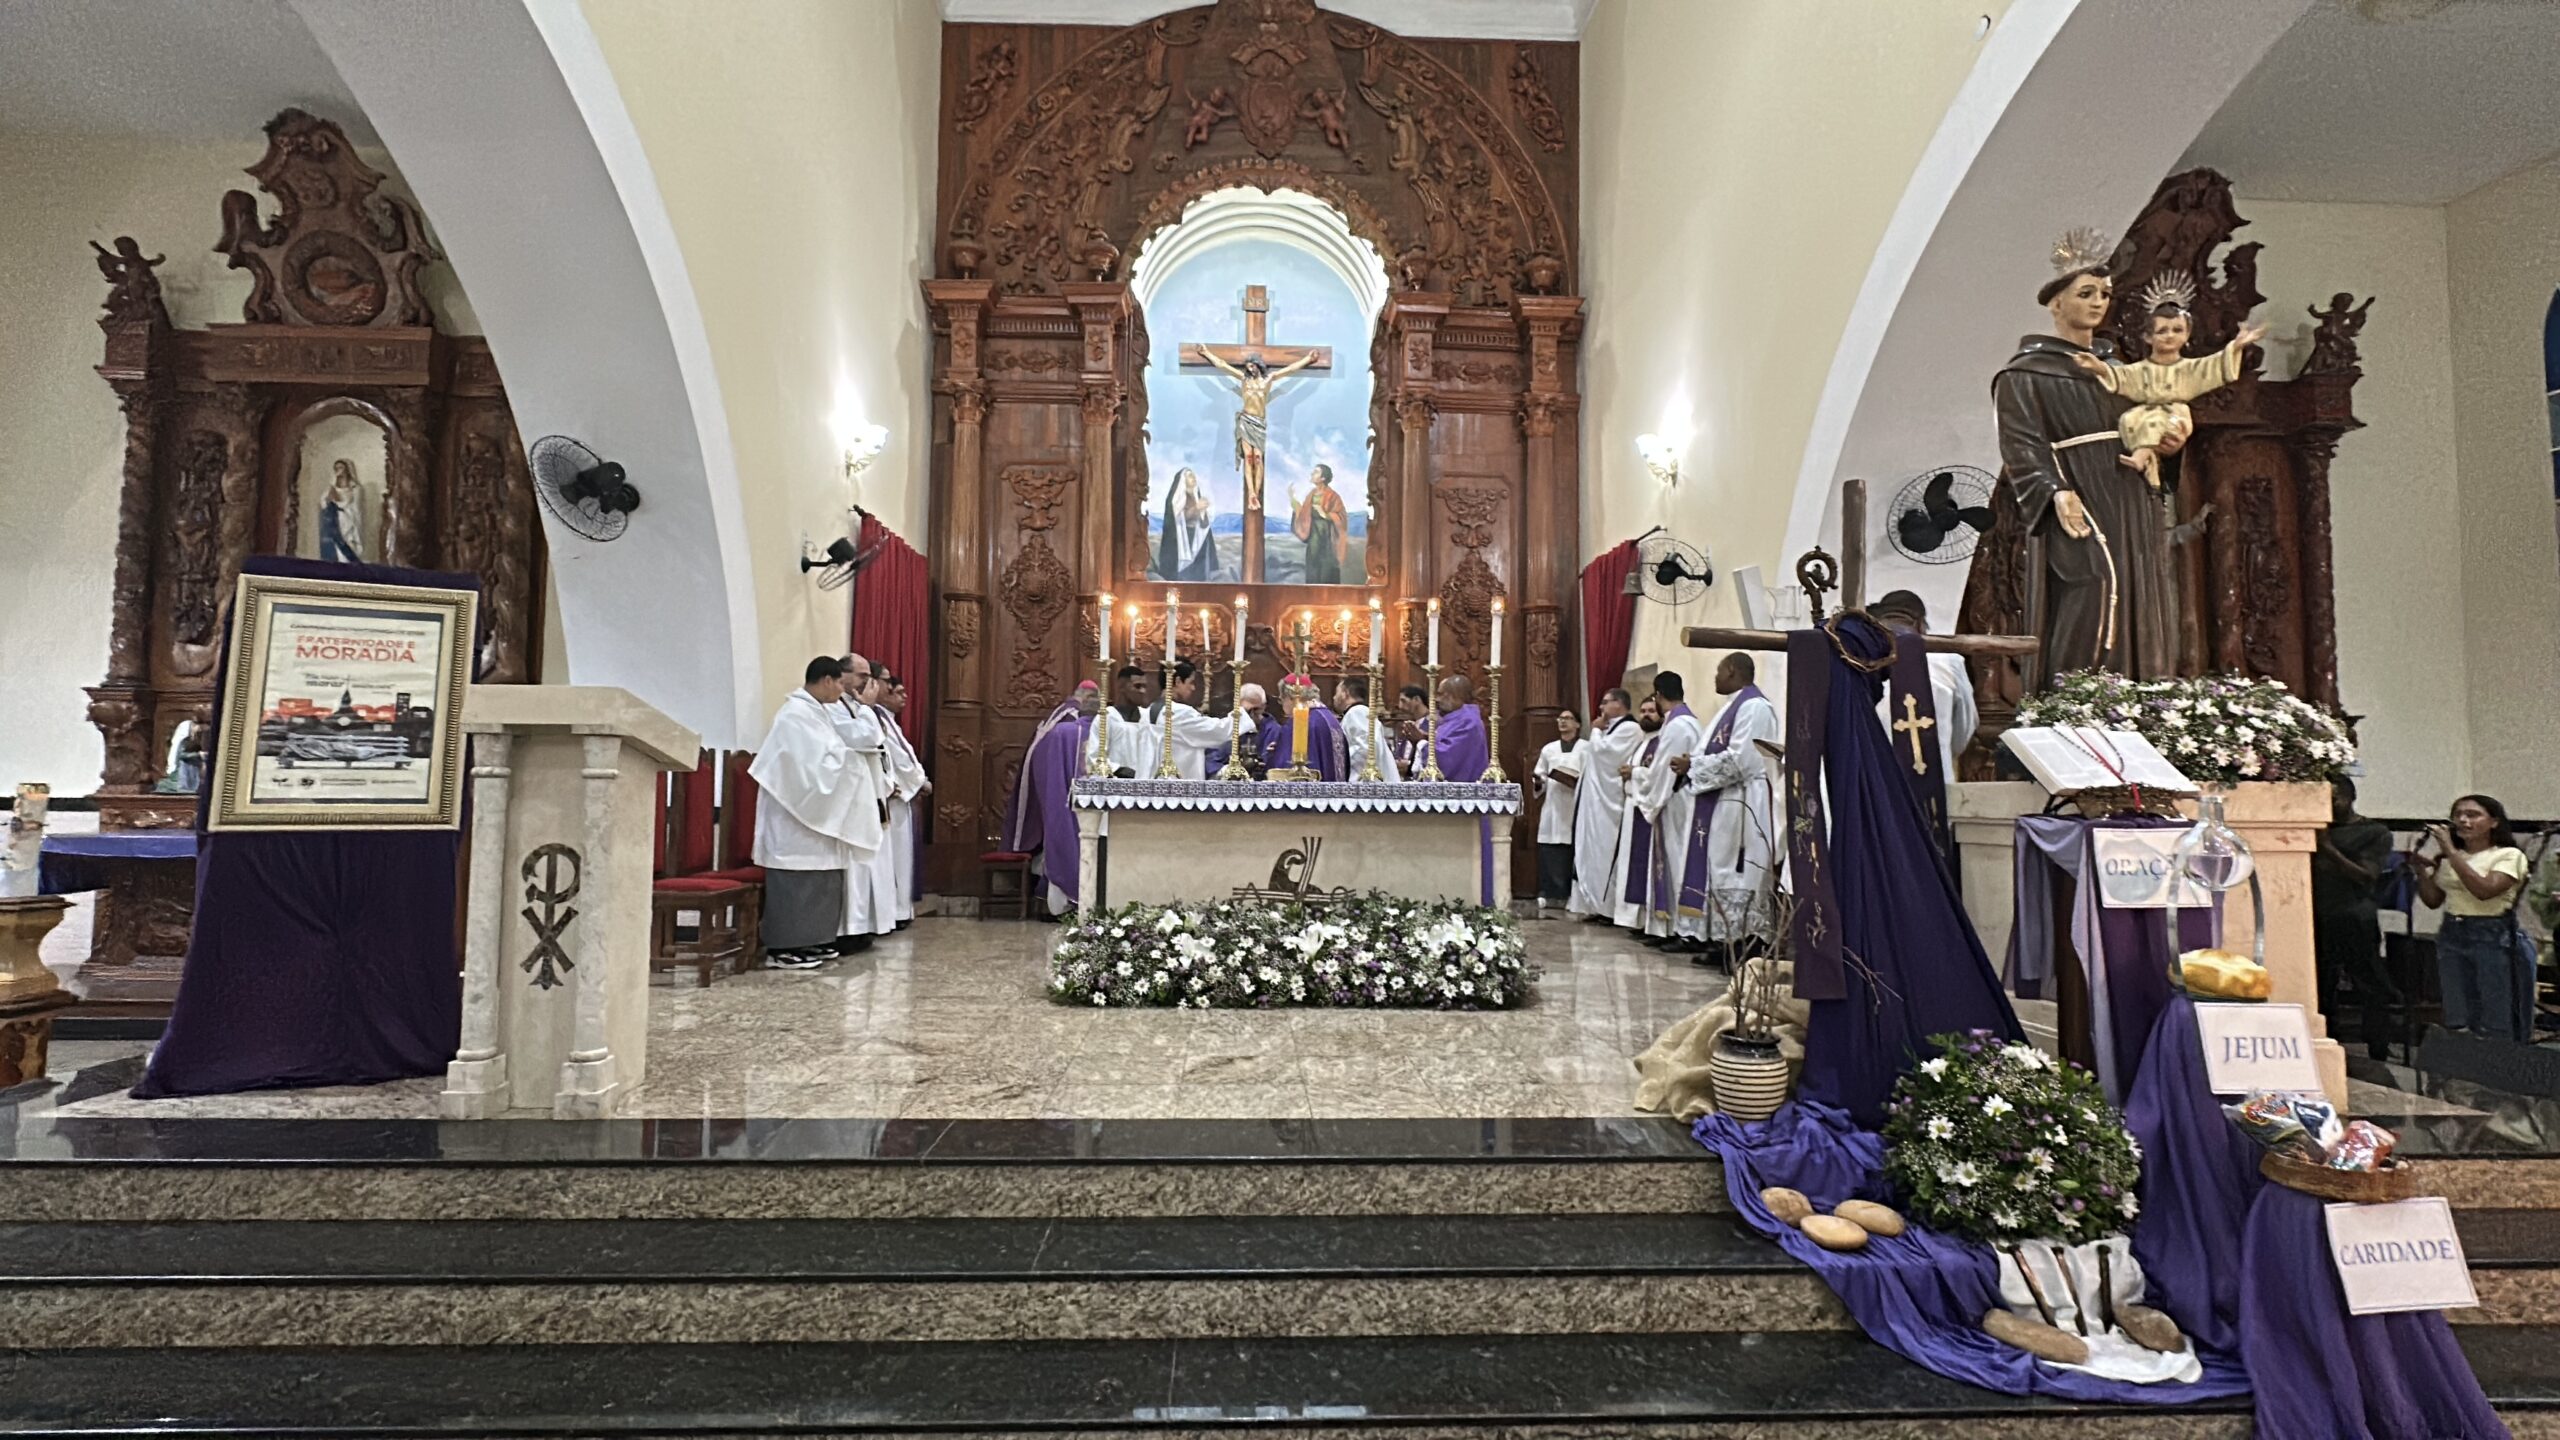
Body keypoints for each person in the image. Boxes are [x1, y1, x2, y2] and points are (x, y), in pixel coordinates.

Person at [1994, 232, 2178, 690]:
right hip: (2075, 489)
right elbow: (2021, 444)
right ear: (2056, 303)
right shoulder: (2025, 373)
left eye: (2105, 294)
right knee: (2092, 581)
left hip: (2128, 492)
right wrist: (2054, 491)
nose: (2098, 303)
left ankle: (2135, 694)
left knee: (2139, 588)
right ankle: (2074, 696)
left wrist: (2161, 449)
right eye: (2086, 293)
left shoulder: (2118, 370)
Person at [2069, 271, 2263, 494]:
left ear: (2187, 334)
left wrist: (2236, 347)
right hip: (2097, 477)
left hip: (2170, 419)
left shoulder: (2188, 369)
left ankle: (2144, 459)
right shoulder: (2134, 370)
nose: (2170, 336)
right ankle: (2143, 458)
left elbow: (2213, 367)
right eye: (2162, 331)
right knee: (2131, 420)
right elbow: (2120, 378)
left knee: (2156, 423)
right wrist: (2098, 368)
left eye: (2103, 295)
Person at [747, 657, 883, 968]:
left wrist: (848, 759)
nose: (842, 691)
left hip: (812, 816)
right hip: (793, 816)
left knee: (822, 876)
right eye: (839, 684)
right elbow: (806, 767)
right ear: (826, 680)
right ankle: (783, 948)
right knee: (796, 881)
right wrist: (853, 762)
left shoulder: (815, 712)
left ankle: (812, 940)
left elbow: (831, 752)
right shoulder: (794, 715)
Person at [1664, 654, 1780, 960]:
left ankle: (1744, 943)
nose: (1714, 677)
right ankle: (1722, 939)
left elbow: (1743, 760)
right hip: (1723, 800)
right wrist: (1693, 763)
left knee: (1737, 872)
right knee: (1720, 869)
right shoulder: (1732, 706)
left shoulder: (1754, 707)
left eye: (1718, 671)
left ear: (1731, 671)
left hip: (1742, 802)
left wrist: (1693, 766)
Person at [2410, 793, 2532, 1041]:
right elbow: (2433, 901)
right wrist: (2421, 871)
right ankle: (2465, 1058)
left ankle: (2499, 1060)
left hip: (2492, 933)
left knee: (2495, 1009)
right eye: (2458, 815)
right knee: (2458, 1010)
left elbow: (2484, 891)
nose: (2463, 821)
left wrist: (2450, 850)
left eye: (2473, 815)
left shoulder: (2508, 855)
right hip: (2452, 931)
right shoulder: (2449, 859)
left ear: (2494, 822)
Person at [2311, 777, 2397, 1060]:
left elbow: (2367, 875)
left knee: (2369, 983)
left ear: (2350, 797)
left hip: (2353, 915)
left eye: (2334, 799)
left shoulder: (2373, 832)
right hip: (2316, 916)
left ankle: (2378, 1047)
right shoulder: (2310, 827)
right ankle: (2327, 1042)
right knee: (2321, 984)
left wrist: (2327, 847)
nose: (2328, 805)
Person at [828, 653, 902, 952]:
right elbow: (865, 738)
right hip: (849, 798)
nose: (867, 683)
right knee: (855, 868)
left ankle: (864, 926)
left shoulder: (853, 706)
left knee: (868, 865)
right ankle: (849, 930)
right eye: (862, 676)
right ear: (842, 675)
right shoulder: (834, 707)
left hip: (868, 793)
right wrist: (868, 709)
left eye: (870, 677)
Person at [1868, 590, 1977, 778]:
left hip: (1878, 776)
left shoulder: (1864, 662)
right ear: (1920, 625)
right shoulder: (1949, 663)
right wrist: (1943, 748)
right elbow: (1965, 727)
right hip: (1935, 774)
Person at [1011, 681, 1098, 915]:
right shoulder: (1072, 722)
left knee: (1058, 835)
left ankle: (1056, 900)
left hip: (1057, 786)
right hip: (1069, 786)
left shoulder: (1059, 718)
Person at [1632, 671, 1705, 948]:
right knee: (1678, 861)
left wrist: (1649, 800)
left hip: (1673, 800)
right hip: (1684, 797)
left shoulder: (1676, 726)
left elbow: (1663, 770)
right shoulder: (1692, 722)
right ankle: (1674, 926)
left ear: (1658, 695)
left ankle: (1679, 929)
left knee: (1674, 862)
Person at [1201, 350, 1318, 512]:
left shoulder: (1268, 380)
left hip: (1259, 423)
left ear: (1258, 365)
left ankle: (1256, 492)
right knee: (1249, 458)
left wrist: (1307, 359)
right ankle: (1252, 493)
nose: (1249, 369)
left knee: (1257, 458)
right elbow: (1222, 366)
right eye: (1248, 366)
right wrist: (1206, 352)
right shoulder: (1244, 380)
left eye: (1252, 365)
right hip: (1246, 421)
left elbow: (1290, 370)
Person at [1568, 689, 1643, 921]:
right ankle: (1593, 905)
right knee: (1591, 851)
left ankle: (1607, 907)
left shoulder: (1630, 728)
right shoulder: (1611, 729)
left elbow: (1604, 755)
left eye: (1605, 702)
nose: (1601, 707)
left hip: (1608, 803)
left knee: (1606, 852)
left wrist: (1596, 730)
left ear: (1619, 704)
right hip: (1595, 801)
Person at [872, 671, 929, 928]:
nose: (904, 697)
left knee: (901, 857)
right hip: (890, 796)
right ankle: (895, 911)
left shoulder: (886, 719)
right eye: (895, 689)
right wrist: (919, 781)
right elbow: (896, 757)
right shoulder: (876, 717)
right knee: (894, 857)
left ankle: (900, 909)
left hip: (898, 794)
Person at [1610, 695, 1665, 929]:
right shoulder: (1642, 742)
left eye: (1651, 711)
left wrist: (1634, 772)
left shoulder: (1662, 742)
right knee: (1630, 864)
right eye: (1642, 711)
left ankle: (1645, 920)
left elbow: (1657, 775)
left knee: (1644, 864)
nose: (1646, 715)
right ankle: (1634, 919)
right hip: (1633, 807)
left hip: (1647, 808)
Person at [1148, 660, 1240, 780]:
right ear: (1178, 681)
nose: (1193, 688)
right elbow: (1218, 732)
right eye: (1191, 682)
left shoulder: (1148, 710)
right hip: (1177, 785)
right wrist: (1243, 713)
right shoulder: (1179, 713)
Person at [1529, 710, 1582, 912]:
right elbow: (1540, 775)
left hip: (1575, 804)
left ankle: (1571, 895)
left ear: (1577, 724)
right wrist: (1538, 781)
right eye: (1560, 719)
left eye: (1568, 718)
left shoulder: (1586, 748)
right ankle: (1549, 893)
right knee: (1551, 848)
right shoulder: (1549, 749)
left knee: (1572, 848)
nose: (1563, 722)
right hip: (1554, 805)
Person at [1267, 673, 1350, 780]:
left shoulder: (1299, 723)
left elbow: (1284, 771)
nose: (1282, 706)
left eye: (1281, 700)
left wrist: (1274, 755)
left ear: (1291, 697)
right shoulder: (1331, 719)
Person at [1089, 663, 1160, 778]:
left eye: (1144, 687)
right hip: (1115, 782)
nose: (1142, 691)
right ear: (1121, 687)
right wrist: (1117, 769)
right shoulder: (1106, 717)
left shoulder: (1147, 716)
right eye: (1137, 686)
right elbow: (1095, 756)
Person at [1289, 464, 1351, 584]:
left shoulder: (1333, 496)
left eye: (1316, 472)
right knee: (1313, 569)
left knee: (1327, 571)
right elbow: (1303, 514)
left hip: (1327, 540)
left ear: (1323, 478)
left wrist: (1326, 515)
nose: (1312, 474)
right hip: (1313, 538)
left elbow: (1342, 517)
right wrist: (1292, 498)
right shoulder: (1311, 494)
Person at [1154, 467, 1217, 582]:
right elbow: (1179, 518)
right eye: (1190, 476)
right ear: (1183, 480)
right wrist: (1196, 508)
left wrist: (1203, 512)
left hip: (1196, 538)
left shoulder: (1196, 496)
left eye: (1193, 475)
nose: (1193, 478)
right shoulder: (1177, 498)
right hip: (1180, 538)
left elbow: (1203, 523)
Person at [1334, 674, 1400, 781]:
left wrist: (1338, 758)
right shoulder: (1358, 712)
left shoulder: (1357, 712)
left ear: (1345, 693)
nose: (1334, 697)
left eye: (1336, 693)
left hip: (1364, 780)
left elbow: (1366, 748)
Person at [1389, 683, 1429, 778]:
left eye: (1403, 701)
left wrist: (1409, 764)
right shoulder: (1408, 723)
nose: (1400, 706)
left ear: (1417, 700)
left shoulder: (1433, 723)